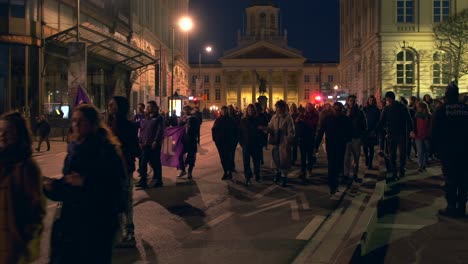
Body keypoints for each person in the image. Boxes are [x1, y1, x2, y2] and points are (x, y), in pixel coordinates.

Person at [43, 104, 127, 263]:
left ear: (93, 123)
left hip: (97, 225)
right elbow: (70, 184)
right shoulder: (75, 148)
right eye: (74, 120)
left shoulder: (106, 150)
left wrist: (85, 182)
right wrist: (52, 187)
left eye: (81, 121)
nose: (75, 124)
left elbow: (115, 189)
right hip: (73, 223)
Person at [0, 112, 45, 264]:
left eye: (8, 131)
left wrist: (23, 241)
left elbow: (36, 209)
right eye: (0, 131)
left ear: (18, 133)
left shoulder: (26, 167)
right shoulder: (3, 161)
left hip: (14, 249)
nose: (2, 135)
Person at [107, 96, 140, 247]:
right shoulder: (106, 125)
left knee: (126, 200)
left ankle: (129, 230)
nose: (109, 106)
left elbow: (134, 148)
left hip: (125, 168)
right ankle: (118, 231)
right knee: (113, 200)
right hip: (110, 169)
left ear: (120, 107)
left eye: (112, 104)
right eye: (109, 104)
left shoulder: (128, 126)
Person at [432, 82, 468, 218]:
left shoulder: (442, 110)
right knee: (464, 180)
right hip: (465, 151)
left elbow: (434, 130)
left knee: (451, 179)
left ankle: (451, 206)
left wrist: (433, 149)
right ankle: (462, 206)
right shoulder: (466, 108)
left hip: (448, 151)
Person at [316, 102, 353, 194]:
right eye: (335, 109)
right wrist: (316, 145)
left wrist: (346, 140)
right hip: (331, 145)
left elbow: (350, 132)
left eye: (338, 110)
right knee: (331, 165)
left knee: (338, 165)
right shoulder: (327, 119)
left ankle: (335, 182)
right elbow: (321, 132)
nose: (336, 111)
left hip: (341, 145)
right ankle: (332, 184)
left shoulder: (345, 119)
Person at [378, 91, 414, 181]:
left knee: (398, 153)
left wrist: (411, 130)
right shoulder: (390, 108)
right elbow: (382, 121)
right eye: (386, 99)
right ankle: (397, 170)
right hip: (395, 134)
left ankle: (398, 169)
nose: (387, 101)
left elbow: (408, 119)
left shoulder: (397, 108)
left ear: (391, 99)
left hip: (398, 133)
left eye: (388, 99)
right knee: (395, 153)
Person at [137, 101, 165, 189]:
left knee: (155, 162)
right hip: (145, 144)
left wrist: (156, 141)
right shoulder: (145, 117)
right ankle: (143, 180)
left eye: (150, 107)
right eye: (147, 107)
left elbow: (160, 130)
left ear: (154, 108)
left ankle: (158, 180)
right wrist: (140, 141)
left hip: (154, 144)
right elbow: (142, 130)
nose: (148, 108)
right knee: (143, 162)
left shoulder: (159, 118)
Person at [267, 100, 295, 187]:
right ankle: (277, 174)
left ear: (283, 108)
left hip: (283, 143)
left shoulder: (288, 118)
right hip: (276, 142)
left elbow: (292, 132)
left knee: (284, 161)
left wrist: (286, 139)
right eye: (277, 107)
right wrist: (267, 130)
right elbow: (270, 127)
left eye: (279, 107)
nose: (277, 109)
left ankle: (284, 178)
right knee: (276, 160)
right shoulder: (274, 117)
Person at [344, 95, 367, 183]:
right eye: (350, 101)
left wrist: (362, 136)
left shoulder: (360, 112)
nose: (352, 102)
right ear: (348, 102)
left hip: (356, 138)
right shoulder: (345, 111)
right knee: (346, 158)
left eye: (353, 101)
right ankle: (346, 174)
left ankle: (355, 174)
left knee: (356, 158)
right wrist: (347, 116)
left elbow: (364, 125)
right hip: (347, 138)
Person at [212, 106, 239, 180]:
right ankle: (225, 171)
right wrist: (215, 139)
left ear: (227, 111)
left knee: (229, 158)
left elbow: (235, 131)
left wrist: (235, 141)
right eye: (222, 111)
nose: (223, 112)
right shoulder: (218, 120)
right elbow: (214, 130)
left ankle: (229, 171)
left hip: (229, 142)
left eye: (225, 111)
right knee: (223, 158)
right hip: (220, 142)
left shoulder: (231, 120)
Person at [239, 104, 263, 185]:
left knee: (256, 161)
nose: (250, 111)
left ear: (254, 111)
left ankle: (257, 175)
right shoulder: (243, 121)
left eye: (252, 110)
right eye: (249, 110)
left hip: (255, 144)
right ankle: (248, 177)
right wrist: (242, 143)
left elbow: (261, 132)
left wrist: (261, 143)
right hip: (246, 144)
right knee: (246, 162)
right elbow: (240, 133)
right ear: (247, 111)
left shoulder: (257, 120)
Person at [296, 103, 319, 181]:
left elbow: (312, 124)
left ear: (312, 108)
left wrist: (304, 120)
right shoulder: (303, 114)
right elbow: (297, 121)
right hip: (302, 138)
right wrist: (299, 120)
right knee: (302, 157)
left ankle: (309, 170)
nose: (308, 108)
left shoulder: (315, 115)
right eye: (307, 107)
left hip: (310, 138)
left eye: (309, 107)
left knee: (309, 156)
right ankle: (302, 171)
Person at [177, 105, 199, 179]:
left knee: (191, 156)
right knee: (179, 155)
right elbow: (178, 127)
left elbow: (196, 130)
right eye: (185, 110)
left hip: (191, 140)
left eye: (187, 110)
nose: (186, 111)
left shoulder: (194, 119)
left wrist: (198, 139)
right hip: (183, 139)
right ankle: (183, 170)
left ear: (190, 110)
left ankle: (190, 172)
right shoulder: (182, 118)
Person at [362, 95, 381, 170]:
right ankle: (367, 158)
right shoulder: (364, 109)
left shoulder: (376, 110)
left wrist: (375, 130)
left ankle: (370, 162)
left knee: (371, 148)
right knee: (365, 147)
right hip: (365, 131)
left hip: (373, 131)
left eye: (373, 100)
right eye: (370, 100)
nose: (371, 102)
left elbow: (378, 121)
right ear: (368, 101)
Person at [412, 101, 431, 172]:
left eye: (419, 107)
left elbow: (430, 126)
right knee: (420, 151)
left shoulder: (428, 116)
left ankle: (425, 163)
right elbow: (414, 125)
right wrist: (413, 132)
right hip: (418, 135)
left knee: (426, 150)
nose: (418, 109)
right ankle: (420, 165)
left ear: (423, 108)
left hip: (426, 135)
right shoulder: (416, 115)